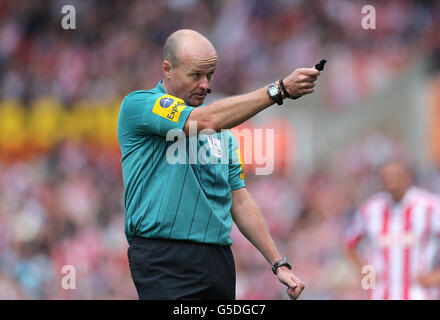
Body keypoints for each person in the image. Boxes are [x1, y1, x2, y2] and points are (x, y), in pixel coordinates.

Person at [117, 29, 320, 300]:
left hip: (218, 259)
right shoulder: (140, 105)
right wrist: (278, 90)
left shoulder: (223, 133)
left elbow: (238, 198)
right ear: (167, 68)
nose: (205, 84)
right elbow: (200, 121)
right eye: (196, 75)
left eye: (210, 74)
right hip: (163, 258)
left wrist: (278, 262)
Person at [345, 159, 440, 299]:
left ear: (408, 176)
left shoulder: (430, 206)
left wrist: (437, 276)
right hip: (380, 294)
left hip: (419, 294)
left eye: (396, 176)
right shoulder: (371, 209)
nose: (391, 181)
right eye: (386, 177)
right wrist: (366, 273)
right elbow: (349, 244)